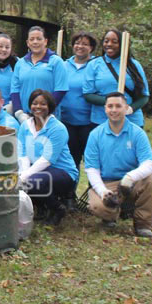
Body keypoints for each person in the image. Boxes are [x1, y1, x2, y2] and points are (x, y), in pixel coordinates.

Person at [84, 92, 152, 237]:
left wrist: (130, 177)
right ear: (105, 109)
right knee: (97, 206)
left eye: (118, 106)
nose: (114, 110)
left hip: (133, 181)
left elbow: (150, 163)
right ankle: (110, 216)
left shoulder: (137, 133)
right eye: (110, 106)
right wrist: (102, 191)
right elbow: (91, 168)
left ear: (126, 108)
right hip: (108, 182)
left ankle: (143, 224)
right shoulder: (95, 134)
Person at [17, 89, 78, 226]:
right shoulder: (25, 126)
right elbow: (23, 154)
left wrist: (24, 177)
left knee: (33, 181)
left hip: (63, 172)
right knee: (22, 178)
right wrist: (23, 174)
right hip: (38, 170)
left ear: (50, 106)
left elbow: (47, 160)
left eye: (43, 104)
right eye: (34, 103)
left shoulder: (58, 128)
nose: (38, 107)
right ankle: (41, 208)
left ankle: (57, 209)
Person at [60, 31, 98, 208]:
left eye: (85, 44)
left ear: (91, 48)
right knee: (71, 160)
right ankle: (69, 196)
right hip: (67, 121)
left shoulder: (96, 65)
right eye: (77, 43)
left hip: (89, 122)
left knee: (92, 161)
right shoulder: (64, 65)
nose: (80, 46)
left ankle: (96, 197)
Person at [83, 29, 150, 128]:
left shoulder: (134, 65)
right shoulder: (94, 64)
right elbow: (88, 94)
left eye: (115, 42)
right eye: (106, 41)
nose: (109, 44)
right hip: (101, 120)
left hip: (131, 121)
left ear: (122, 44)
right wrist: (113, 103)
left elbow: (144, 96)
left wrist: (130, 109)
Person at [11, 26, 68, 123]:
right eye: (32, 39)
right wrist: (19, 113)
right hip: (25, 118)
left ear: (45, 41)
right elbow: (14, 90)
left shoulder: (56, 62)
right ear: (27, 43)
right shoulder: (20, 63)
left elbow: (61, 90)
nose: (35, 42)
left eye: (39, 39)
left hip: (48, 117)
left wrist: (44, 112)